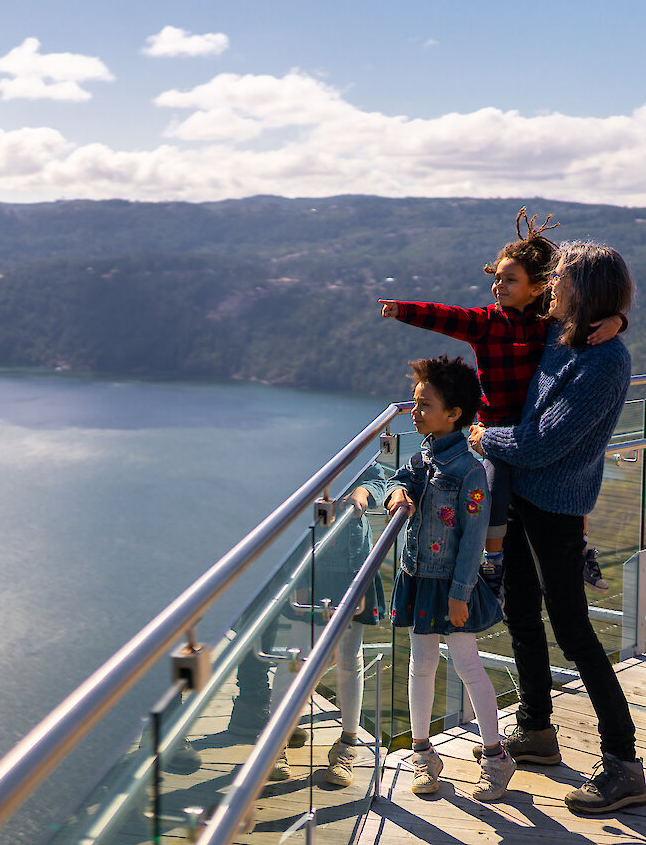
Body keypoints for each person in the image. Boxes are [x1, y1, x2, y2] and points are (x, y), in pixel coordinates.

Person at [470, 241, 644, 814]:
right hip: (523, 496)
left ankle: (624, 764)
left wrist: (483, 437)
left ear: (583, 290)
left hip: (558, 507)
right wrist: (619, 316)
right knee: (521, 612)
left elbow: (541, 445)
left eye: (561, 277)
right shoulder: (561, 334)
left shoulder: (605, 361)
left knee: (573, 630)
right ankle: (537, 730)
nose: (551, 284)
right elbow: (503, 311)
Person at [380, 207, 625, 602]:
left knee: (570, 485)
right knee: (493, 494)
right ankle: (493, 562)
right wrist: (403, 310)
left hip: (530, 424)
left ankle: (579, 552)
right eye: (496, 278)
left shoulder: (550, 323)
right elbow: (447, 316)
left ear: (538, 287)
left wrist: (617, 320)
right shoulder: (487, 322)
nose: (498, 286)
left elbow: (588, 318)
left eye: (510, 280)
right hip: (494, 427)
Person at [386, 355, 514, 801]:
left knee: (467, 665)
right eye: (415, 403)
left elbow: (474, 539)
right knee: (420, 665)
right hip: (419, 577)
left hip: (453, 585)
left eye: (424, 405)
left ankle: (496, 757)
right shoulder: (425, 453)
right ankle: (423, 755)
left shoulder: (469, 470)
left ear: (454, 413)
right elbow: (404, 475)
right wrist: (397, 491)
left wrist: (460, 593)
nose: (415, 411)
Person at [228, 466, 387, 787]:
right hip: (309, 566)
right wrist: (299, 580)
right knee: (295, 657)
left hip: (353, 567)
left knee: (349, 657)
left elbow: (377, 477)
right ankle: (276, 743)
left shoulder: (352, 444)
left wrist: (363, 493)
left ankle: (347, 745)